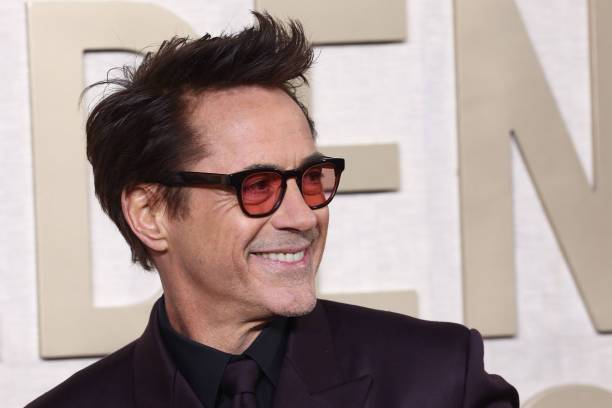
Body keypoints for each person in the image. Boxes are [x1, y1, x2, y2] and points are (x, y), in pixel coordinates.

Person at [28, 12, 519, 408]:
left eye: (309, 178)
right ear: (149, 213)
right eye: (258, 186)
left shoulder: (440, 379)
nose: (303, 218)